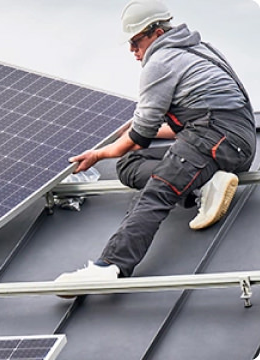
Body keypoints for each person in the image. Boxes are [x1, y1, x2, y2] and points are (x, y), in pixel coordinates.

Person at [56, 0, 256, 284]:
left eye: (136, 41)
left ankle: (108, 267)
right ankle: (204, 183)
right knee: (128, 165)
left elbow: (139, 138)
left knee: (157, 192)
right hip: (235, 139)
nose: (132, 50)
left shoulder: (160, 61)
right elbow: (170, 130)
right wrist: (122, 134)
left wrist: (98, 155)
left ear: (157, 34)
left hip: (215, 137)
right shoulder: (200, 49)